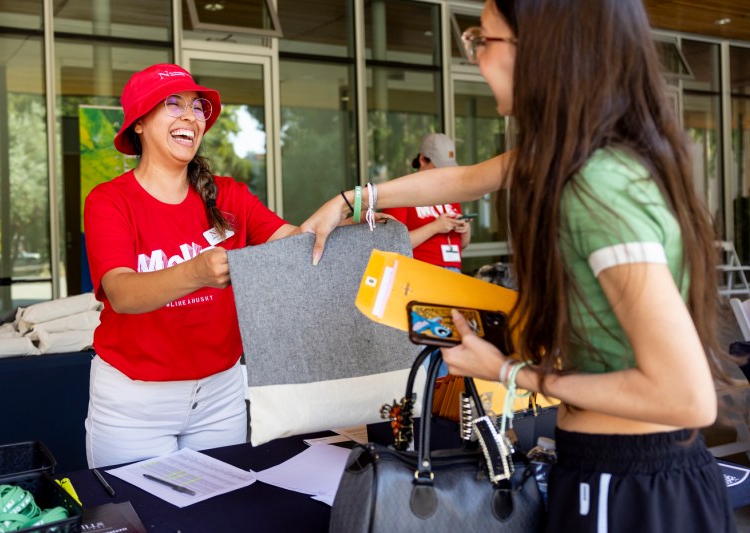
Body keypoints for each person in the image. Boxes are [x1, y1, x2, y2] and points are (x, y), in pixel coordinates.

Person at [301, 1, 736, 531]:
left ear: (544, 51)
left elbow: (685, 396)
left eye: (484, 41)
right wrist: (354, 200)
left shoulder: (595, 188)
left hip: (627, 486)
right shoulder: (581, 156)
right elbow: (466, 180)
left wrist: (507, 372)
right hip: (621, 471)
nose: (477, 59)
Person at [83, 63, 298, 468]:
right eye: (172, 104)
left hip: (221, 398)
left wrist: (351, 212)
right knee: (138, 521)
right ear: (139, 124)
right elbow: (122, 294)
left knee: (219, 516)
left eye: (197, 107)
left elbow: (295, 244)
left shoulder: (230, 195)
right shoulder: (109, 201)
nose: (190, 116)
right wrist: (196, 272)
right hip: (134, 405)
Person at [383, 133, 471, 273]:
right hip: (420, 271)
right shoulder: (401, 191)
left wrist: (465, 230)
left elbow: (462, 245)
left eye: (448, 169)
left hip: (454, 270)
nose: (445, 174)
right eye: (439, 168)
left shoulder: (450, 193)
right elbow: (391, 243)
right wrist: (435, 227)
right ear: (423, 160)